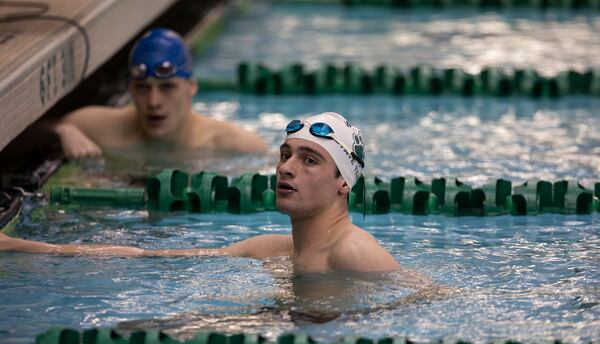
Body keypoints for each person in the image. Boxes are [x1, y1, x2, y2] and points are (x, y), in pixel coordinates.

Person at [0, 112, 430, 284]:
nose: (286, 168)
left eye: (310, 160)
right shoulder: (273, 249)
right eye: (285, 155)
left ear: (344, 184)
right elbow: (147, 257)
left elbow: (426, 301)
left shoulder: (354, 252)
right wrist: (24, 247)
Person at [53, 28, 267, 159]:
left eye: (167, 87)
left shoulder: (235, 146)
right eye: (143, 87)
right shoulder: (97, 125)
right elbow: (31, 135)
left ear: (191, 86)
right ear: (130, 90)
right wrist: (62, 131)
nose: (153, 101)